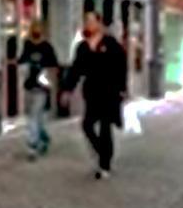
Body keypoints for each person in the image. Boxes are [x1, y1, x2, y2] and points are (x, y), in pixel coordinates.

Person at [60, 12, 128, 179]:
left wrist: (122, 88)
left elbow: (121, 66)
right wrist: (67, 89)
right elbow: (75, 70)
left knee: (105, 126)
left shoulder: (111, 44)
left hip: (109, 91)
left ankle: (104, 165)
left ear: (99, 23)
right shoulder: (82, 47)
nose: (88, 24)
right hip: (91, 92)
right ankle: (102, 152)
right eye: (86, 21)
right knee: (87, 125)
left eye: (91, 21)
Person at [18, 20, 59, 159]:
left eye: (38, 28)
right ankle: (44, 137)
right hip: (29, 86)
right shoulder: (27, 45)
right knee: (37, 117)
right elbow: (22, 61)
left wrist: (50, 82)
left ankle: (32, 145)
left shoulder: (47, 47)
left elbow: (53, 66)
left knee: (33, 116)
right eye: (34, 28)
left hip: (41, 88)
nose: (36, 31)